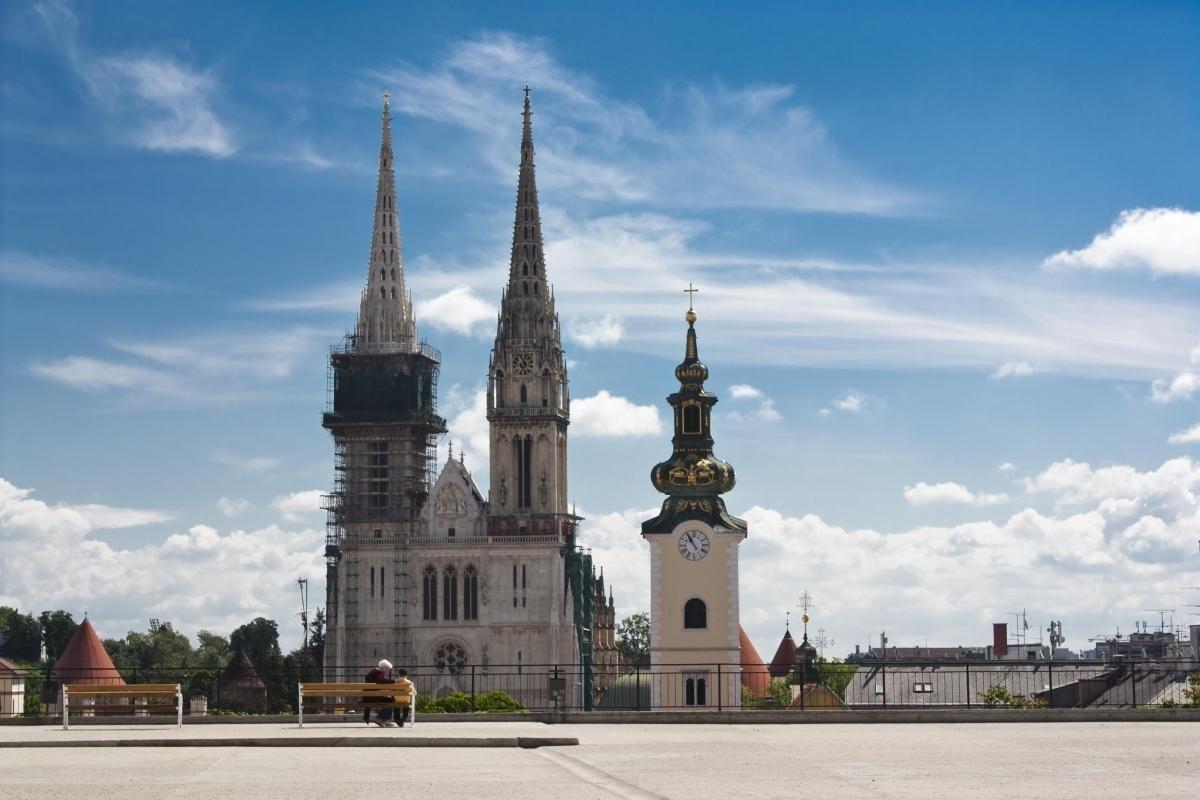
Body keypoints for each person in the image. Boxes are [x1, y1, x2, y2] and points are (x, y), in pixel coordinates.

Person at [363, 659, 397, 727]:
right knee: (391, 700)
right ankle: (380, 719)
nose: (388, 672)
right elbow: (381, 680)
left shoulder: (375, 671)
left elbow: (378, 682)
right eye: (388, 669)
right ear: (384, 667)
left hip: (368, 696)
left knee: (390, 698)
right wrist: (395, 681)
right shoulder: (378, 672)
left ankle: (386, 720)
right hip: (371, 697)